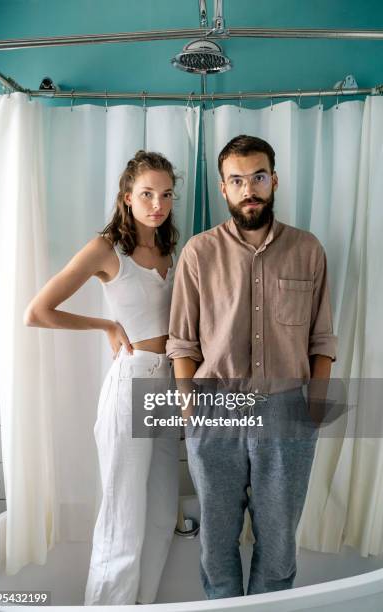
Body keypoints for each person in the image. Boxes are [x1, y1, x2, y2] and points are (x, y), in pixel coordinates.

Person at [166, 135, 337, 599]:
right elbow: (182, 343)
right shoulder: (198, 254)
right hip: (216, 412)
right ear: (223, 188)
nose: (249, 189)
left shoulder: (308, 250)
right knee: (216, 543)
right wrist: (188, 410)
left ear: (274, 180)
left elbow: (322, 338)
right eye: (237, 180)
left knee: (279, 546)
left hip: (287, 412)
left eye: (258, 177)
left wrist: (315, 408)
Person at [23, 150, 180, 605]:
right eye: (147, 194)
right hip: (132, 382)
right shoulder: (106, 249)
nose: (158, 204)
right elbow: (37, 312)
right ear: (127, 196)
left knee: (158, 515)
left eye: (166, 194)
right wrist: (106, 326)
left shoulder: (172, 245)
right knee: (123, 518)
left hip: (168, 385)